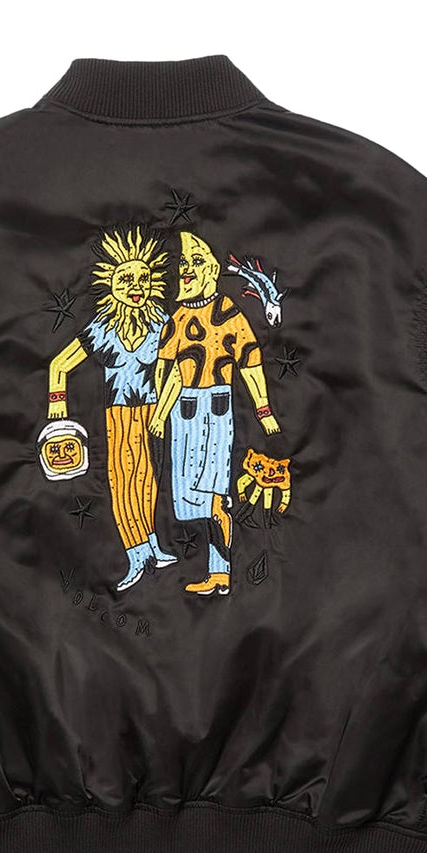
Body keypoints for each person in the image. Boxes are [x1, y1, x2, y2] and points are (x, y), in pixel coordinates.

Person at [46, 227, 179, 590]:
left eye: (143, 278)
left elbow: (176, 368)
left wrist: (166, 408)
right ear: (111, 284)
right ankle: (135, 555)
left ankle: (152, 545)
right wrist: (57, 406)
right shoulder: (103, 328)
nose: (136, 286)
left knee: (148, 478)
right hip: (118, 412)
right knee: (122, 481)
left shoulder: (162, 324)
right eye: (126, 279)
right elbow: (60, 365)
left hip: (151, 410)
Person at [150, 231, 281, 596]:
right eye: (183, 263)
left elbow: (250, 361)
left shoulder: (227, 313)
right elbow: (171, 371)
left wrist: (263, 410)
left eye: (195, 262)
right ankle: (218, 570)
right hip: (183, 413)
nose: (186, 270)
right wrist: (161, 412)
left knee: (213, 495)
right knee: (187, 500)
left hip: (216, 409)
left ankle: (221, 573)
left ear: (210, 270)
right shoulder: (177, 318)